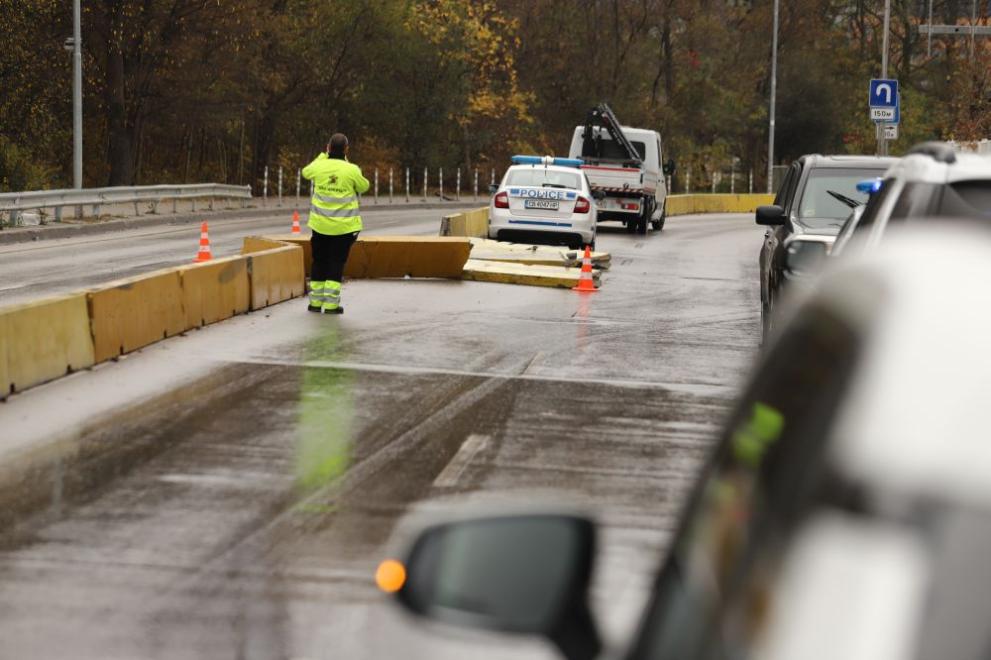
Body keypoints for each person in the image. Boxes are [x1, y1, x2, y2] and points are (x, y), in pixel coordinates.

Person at [301, 133, 370, 314]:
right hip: (343, 229)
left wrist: (323, 156)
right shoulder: (352, 169)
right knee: (336, 263)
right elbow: (364, 187)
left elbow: (306, 172)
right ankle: (331, 305)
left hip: (320, 226)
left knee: (319, 262)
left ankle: (315, 303)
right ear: (346, 150)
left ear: (328, 148)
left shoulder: (320, 166)